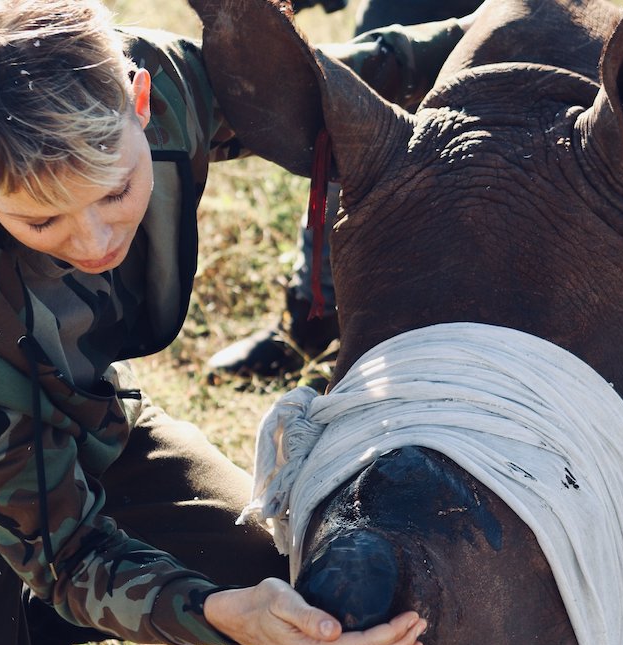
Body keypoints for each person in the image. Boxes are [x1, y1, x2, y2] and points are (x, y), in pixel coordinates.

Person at [0, 1, 474, 645]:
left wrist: (511, 27)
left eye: (115, 191)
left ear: (139, 100)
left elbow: (330, 88)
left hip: (80, 411)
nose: (93, 240)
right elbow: (66, 557)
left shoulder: (153, 82)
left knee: (282, 583)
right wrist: (212, 612)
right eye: (42, 221)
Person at [206, 0, 487, 378]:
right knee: (346, 163)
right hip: (394, 33)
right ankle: (313, 326)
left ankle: (445, 352)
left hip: (500, 38)